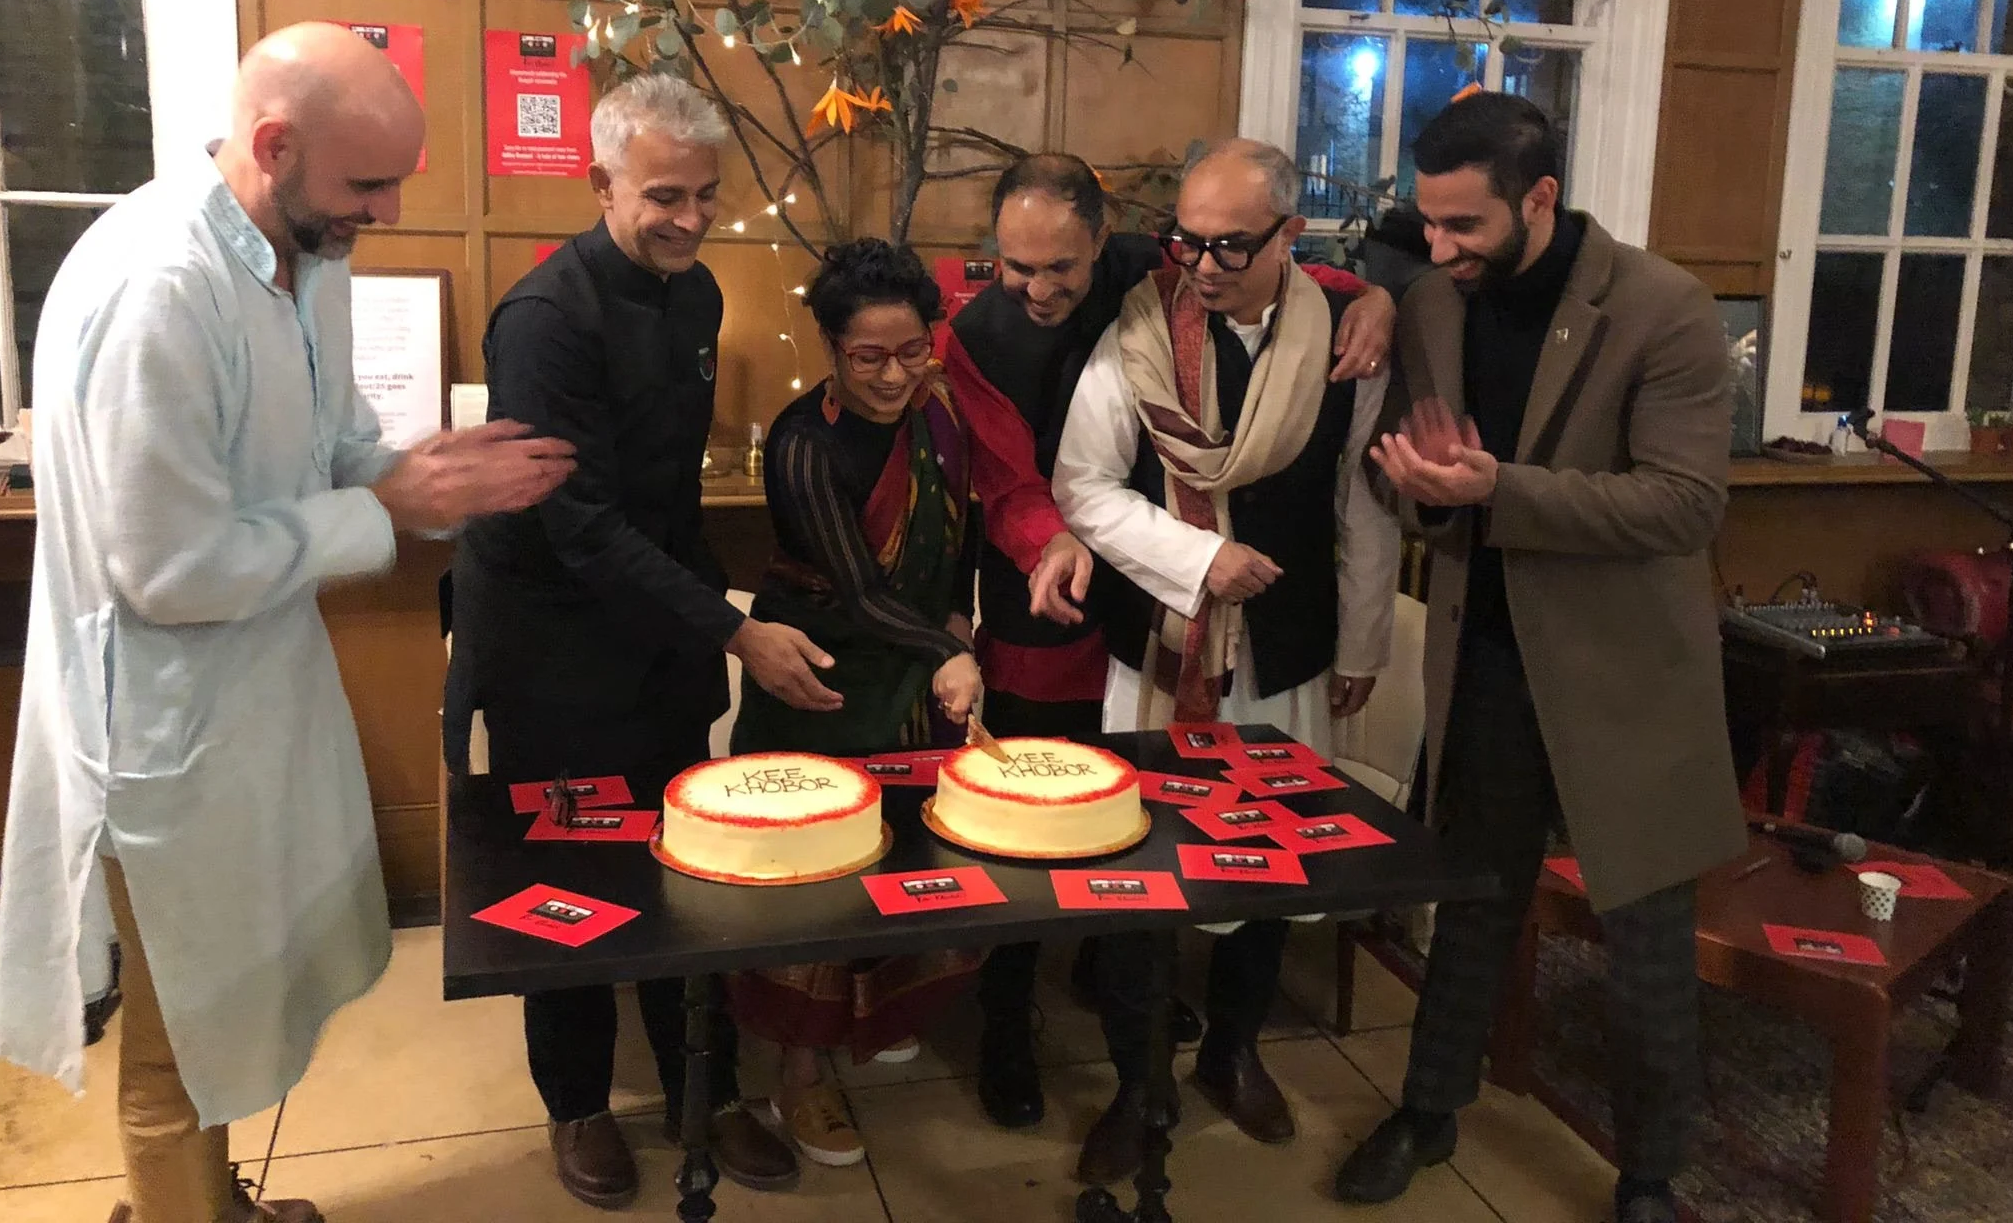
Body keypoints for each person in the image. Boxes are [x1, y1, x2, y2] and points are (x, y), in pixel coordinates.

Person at [0, 23, 575, 1223]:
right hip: (162, 737)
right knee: (175, 1043)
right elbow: (171, 567)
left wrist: (422, 478)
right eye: (367, 184)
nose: (387, 208)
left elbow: (330, 434)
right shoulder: (162, 289)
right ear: (271, 145)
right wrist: (380, 507)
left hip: (251, 703)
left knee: (231, 1009)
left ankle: (214, 1205)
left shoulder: (300, 251)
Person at [1340, 93, 1743, 1223]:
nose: (1439, 249)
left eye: (1463, 227)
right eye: (1424, 224)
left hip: (1626, 683)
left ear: (1540, 200)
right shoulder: (1428, 301)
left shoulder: (1663, 308)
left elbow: (1681, 505)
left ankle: (1650, 1174)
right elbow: (1425, 479)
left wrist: (1496, 491)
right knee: (1470, 902)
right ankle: (1426, 1112)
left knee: (1646, 944)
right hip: (1485, 665)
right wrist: (1415, 493)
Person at [940, 153, 1398, 1130]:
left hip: (1284, 638)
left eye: (1058, 265)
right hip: (1123, 620)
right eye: (1015, 265)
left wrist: (1380, 296)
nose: (1036, 287)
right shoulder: (1072, 327)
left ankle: (1230, 1057)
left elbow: (1357, 499)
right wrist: (1189, 562)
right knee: (1127, 858)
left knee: (1270, 861)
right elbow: (1037, 484)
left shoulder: (1297, 320)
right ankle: (1077, 1056)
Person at [445, 72, 820, 1205]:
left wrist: (711, 620)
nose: (691, 220)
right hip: (549, 643)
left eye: (706, 196)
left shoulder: (695, 295)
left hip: (653, 631)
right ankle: (575, 1107)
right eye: (664, 195)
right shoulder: (545, 321)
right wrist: (735, 632)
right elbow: (579, 524)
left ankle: (699, 1090)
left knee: (679, 868)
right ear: (597, 180)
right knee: (566, 882)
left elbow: (661, 499)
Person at [726, 238, 985, 1170]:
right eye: (868, 356)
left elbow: (965, 526)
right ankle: (796, 1077)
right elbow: (861, 594)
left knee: (904, 849)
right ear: (830, 347)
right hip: (822, 677)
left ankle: (867, 1020)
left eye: (911, 350)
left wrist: (956, 616)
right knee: (820, 875)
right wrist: (953, 647)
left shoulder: (941, 412)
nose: (893, 374)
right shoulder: (803, 443)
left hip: (913, 666)